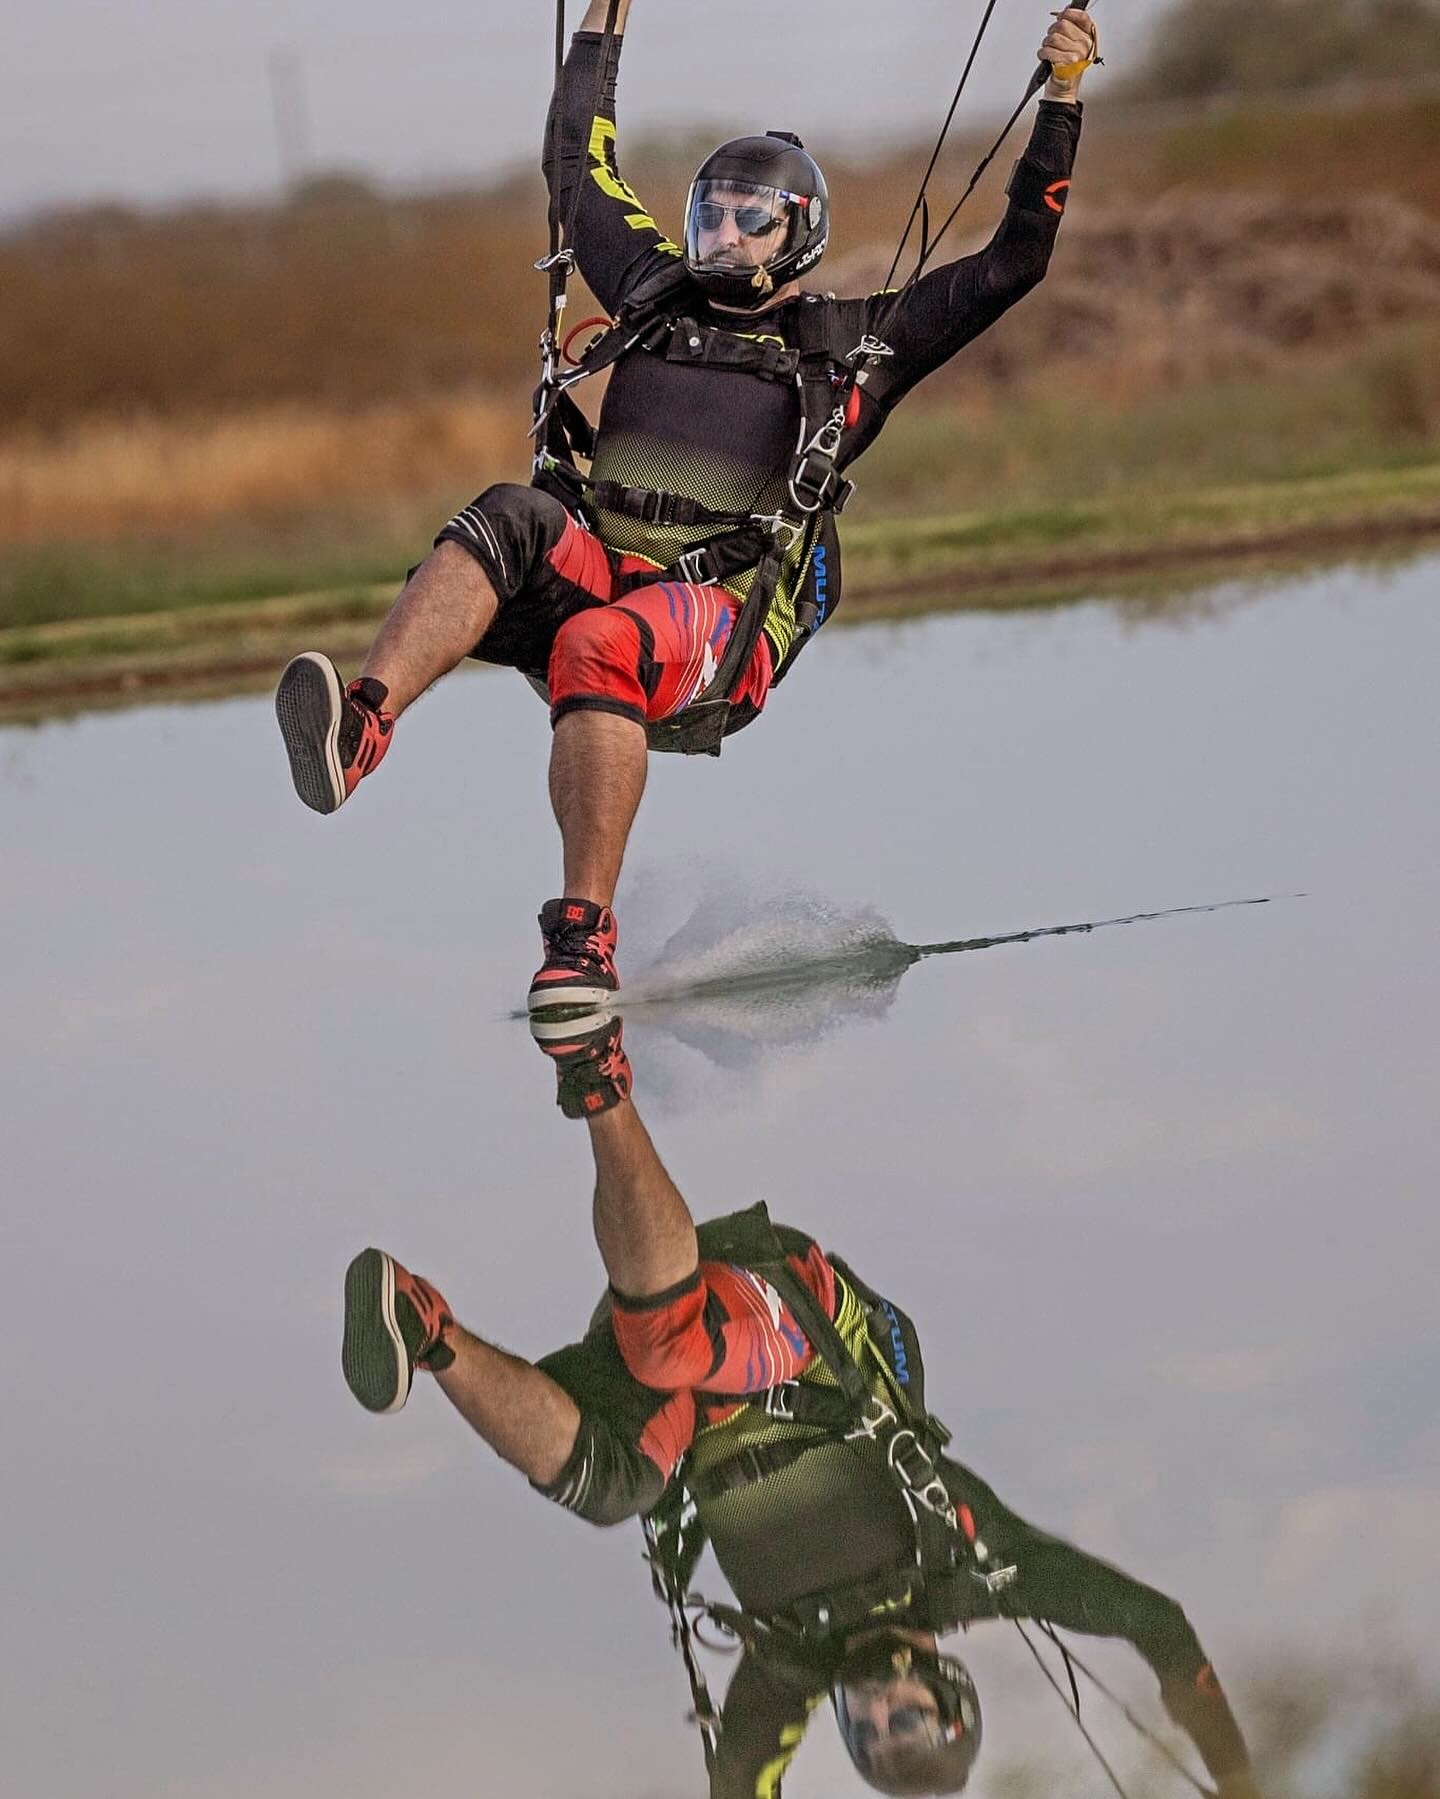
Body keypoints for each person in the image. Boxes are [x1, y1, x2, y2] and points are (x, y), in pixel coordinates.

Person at [275, 0, 1100, 1014]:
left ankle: (580, 942)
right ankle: (361, 728)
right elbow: (577, 164)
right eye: (713, 211)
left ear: (798, 236)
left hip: (722, 625)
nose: (726, 233)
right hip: (600, 584)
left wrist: (1060, 95)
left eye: (753, 218)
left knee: (599, 648)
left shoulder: (852, 345)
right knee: (504, 512)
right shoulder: (651, 293)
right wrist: (603, 24)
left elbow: (1014, 259)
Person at [340, 1021, 1264, 1797]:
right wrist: (1239, 1779)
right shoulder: (968, 1567)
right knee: (671, 1340)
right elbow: (1155, 1623)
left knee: (611, 1489)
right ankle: (595, 1069)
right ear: (952, 1693)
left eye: (870, 1736)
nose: (877, 1710)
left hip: (678, 1399)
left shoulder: (787, 1668)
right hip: (798, 1326)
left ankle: (425, 1327)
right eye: (910, 1720)